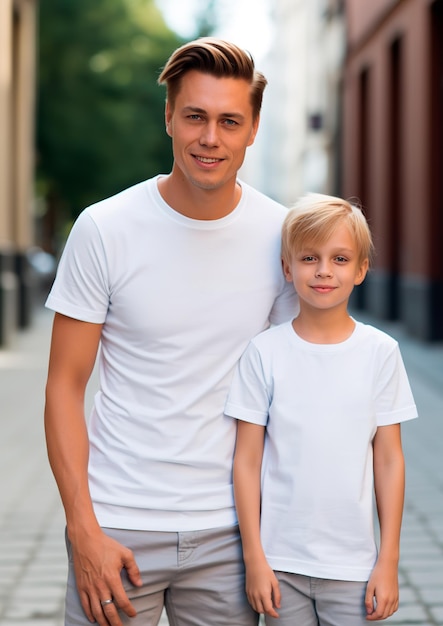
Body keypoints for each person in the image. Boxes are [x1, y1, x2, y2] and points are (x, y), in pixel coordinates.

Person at [44, 37, 298, 626]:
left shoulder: (282, 236)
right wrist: (83, 529)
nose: (211, 138)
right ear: (168, 118)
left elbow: (296, 389)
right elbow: (63, 385)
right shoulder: (105, 228)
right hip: (116, 524)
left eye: (229, 121)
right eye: (195, 117)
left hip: (232, 535)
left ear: (253, 129)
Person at [225, 193, 418, 625]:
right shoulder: (264, 352)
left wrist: (388, 562)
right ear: (287, 268)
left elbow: (389, 460)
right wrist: (255, 558)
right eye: (310, 258)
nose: (324, 271)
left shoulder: (380, 353)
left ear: (362, 269)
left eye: (340, 259)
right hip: (279, 565)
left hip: (353, 568)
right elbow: (247, 460)